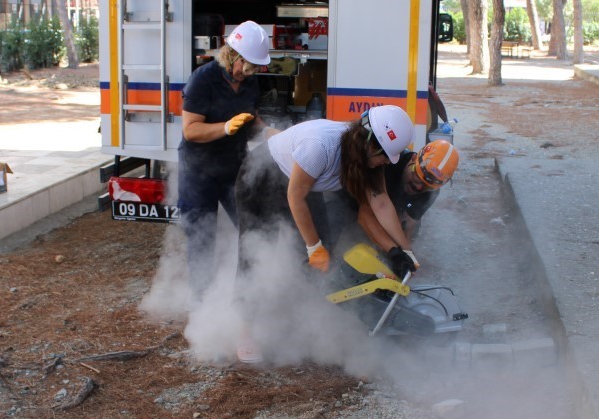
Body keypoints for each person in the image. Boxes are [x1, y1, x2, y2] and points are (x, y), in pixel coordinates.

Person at [232, 104, 420, 362]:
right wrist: (313, 247)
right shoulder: (321, 146)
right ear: (370, 143)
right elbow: (295, 197)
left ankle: (298, 319)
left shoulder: (369, 158)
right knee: (255, 251)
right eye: (386, 156)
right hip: (264, 178)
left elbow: (381, 203)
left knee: (322, 251)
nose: (388, 162)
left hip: (302, 186)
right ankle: (244, 331)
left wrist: (404, 251)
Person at [178, 21, 272, 302]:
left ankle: (249, 297)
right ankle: (202, 302)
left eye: (255, 67)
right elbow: (190, 130)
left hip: (234, 166)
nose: (250, 72)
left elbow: (251, 119)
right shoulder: (202, 79)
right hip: (198, 171)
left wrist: (268, 132)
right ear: (232, 56)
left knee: (251, 228)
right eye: (248, 66)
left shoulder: (250, 81)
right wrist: (225, 127)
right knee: (202, 237)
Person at [356, 139, 459, 271]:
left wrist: (408, 256)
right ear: (413, 159)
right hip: (353, 201)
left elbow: (408, 227)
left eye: (426, 186)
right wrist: (394, 252)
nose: (418, 187)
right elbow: (364, 216)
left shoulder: (431, 192)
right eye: (417, 177)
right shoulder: (388, 163)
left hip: (386, 209)